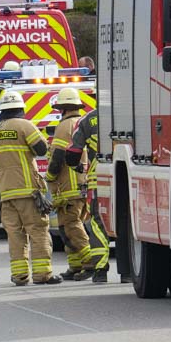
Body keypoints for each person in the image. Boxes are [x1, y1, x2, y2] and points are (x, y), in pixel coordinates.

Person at [0, 90, 60, 286]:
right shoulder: (25, 126)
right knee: (38, 231)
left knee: (15, 235)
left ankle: (19, 276)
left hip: (6, 194)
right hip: (28, 191)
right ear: (21, 109)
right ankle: (43, 275)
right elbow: (41, 150)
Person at [47, 88, 96, 281]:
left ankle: (89, 262)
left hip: (68, 186)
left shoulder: (64, 126)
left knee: (72, 225)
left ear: (62, 108)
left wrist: (50, 176)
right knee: (67, 226)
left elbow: (59, 155)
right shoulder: (83, 122)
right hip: (83, 182)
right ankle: (75, 265)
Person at [65, 106, 114, 283]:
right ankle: (128, 273)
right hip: (129, 176)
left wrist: (76, 167)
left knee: (98, 223)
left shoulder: (87, 120)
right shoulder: (130, 113)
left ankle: (101, 271)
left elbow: (72, 154)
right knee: (126, 222)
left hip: (99, 178)